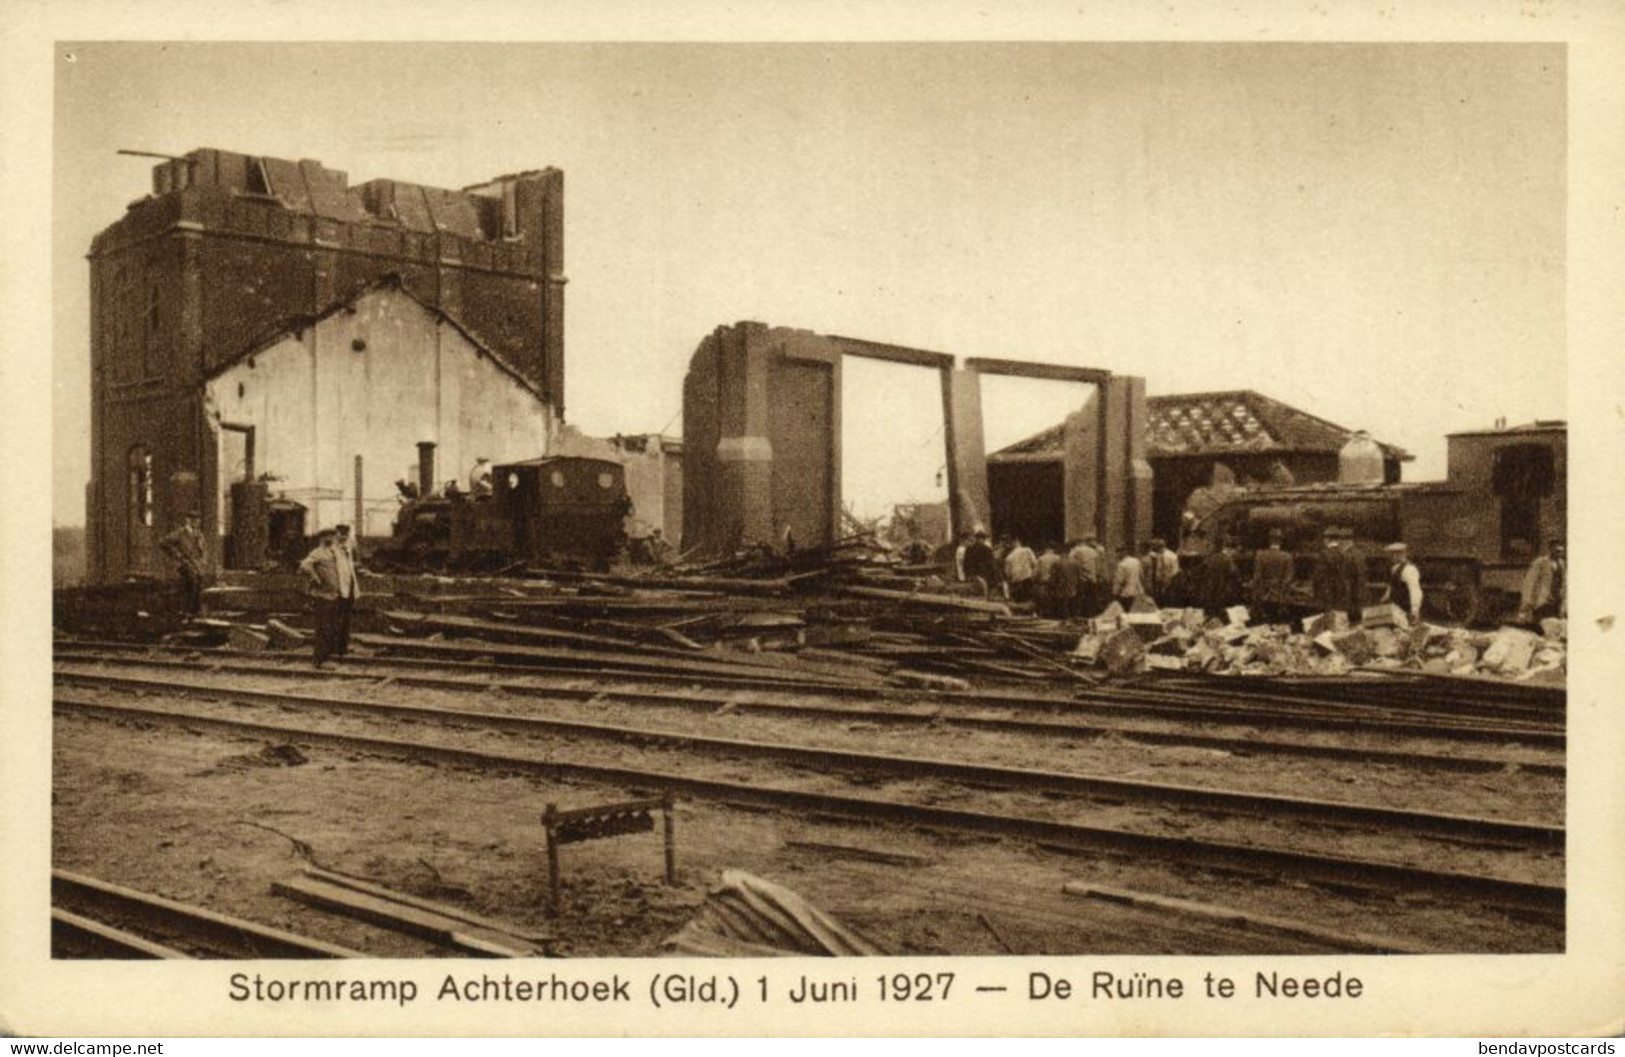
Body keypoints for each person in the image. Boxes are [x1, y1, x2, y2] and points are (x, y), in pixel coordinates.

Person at [299, 529, 360, 667]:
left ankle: (329, 655)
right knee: (323, 628)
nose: (331, 539)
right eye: (327, 537)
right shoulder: (318, 552)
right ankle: (320, 660)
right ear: (321, 538)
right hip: (323, 596)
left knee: (332, 627)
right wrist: (315, 577)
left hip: (334, 596)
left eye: (332, 536)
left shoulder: (335, 552)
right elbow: (304, 565)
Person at [159, 510, 207, 619]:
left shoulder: (199, 535)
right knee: (192, 583)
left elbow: (203, 550)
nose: (196, 522)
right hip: (185, 564)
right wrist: (178, 556)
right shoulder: (180, 533)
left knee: (199, 585)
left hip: (198, 564)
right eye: (193, 520)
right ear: (188, 520)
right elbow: (163, 542)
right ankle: (188, 612)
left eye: (198, 520)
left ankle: (195, 613)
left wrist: (203, 561)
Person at [1250, 528, 1295, 626]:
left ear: (1269, 540)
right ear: (1281, 541)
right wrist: (1282, 593)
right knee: (1279, 624)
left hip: (1264, 595)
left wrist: (1256, 594)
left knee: (1264, 624)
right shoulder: (1287, 556)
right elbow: (1288, 579)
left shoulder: (1260, 555)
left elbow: (1257, 576)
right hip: (1279, 597)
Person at [1194, 538, 1244, 620]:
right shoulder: (1227, 559)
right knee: (1222, 613)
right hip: (1223, 590)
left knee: (1210, 613)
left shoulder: (1209, 559)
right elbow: (1235, 574)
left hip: (1210, 589)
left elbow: (1197, 572)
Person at [1518, 540, 1566, 622]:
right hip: (1542, 601)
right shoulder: (1540, 562)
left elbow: (1563, 582)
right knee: (1541, 623)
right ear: (1550, 548)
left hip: (1556, 601)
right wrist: (1527, 601)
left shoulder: (1561, 564)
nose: (1558, 552)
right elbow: (1530, 581)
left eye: (1560, 550)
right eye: (1556, 549)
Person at [1380, 541, 1423, 624]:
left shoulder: (1409, 570)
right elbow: (1392, 585)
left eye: (1392, 554)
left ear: (1400, 555)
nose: (1390, 557)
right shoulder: (1395, 569)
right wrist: (1385, 597)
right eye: (1390, 554)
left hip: (1405, 610)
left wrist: (1414, 610)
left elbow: (1415, 591)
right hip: (1396, 609)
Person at [1144, 538, 1180, 604]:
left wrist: (1168, 578)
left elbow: (1175, 571)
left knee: (1166, 600)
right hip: (1157, 583)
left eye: (1156, 548)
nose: (1155, 550)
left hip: (1168, 583)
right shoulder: (1155, 556)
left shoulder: (1172, 556)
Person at [962, 530, 997, 599]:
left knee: (973, 595)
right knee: (987, 593)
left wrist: (968, 575)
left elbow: (965, 564)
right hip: (985, 575)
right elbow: (991, 565)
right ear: (983, 539)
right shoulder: (987, 549)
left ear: (976, 538)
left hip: (972, 575)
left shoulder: (969, 549)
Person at [1004, 537, 1037, 604]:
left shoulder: (1009, 557)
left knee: (1018, 602)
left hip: (1016, 582)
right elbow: (1035, 564)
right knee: (1029, 601)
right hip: (1027, 579)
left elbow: (1007, 573)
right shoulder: (1028, 550)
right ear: (1019, 542)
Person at [1112, 543, 1145, 611]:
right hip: (1138, 592)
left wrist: (1114, 593)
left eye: (1118, 552)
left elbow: (1119, 581)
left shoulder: (1122, 565)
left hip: (1126, 594)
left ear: (1122, 552)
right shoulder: (1136, 561)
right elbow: (1141, 576)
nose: (1117, 555)